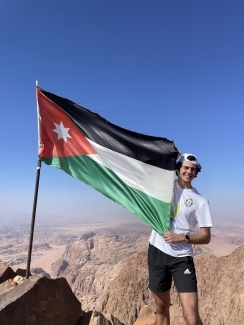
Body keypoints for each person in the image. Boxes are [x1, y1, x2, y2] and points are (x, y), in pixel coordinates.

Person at [148, 153, 213, 325]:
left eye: (193, 169)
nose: (189, 171)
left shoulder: (200, 201)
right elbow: (149, 170)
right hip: (157, 252)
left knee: (191, 318)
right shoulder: (163, 188)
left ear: (196, 172)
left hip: (182, 258)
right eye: (185, 167)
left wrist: (182, 238)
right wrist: (166, 154)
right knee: (161, 309)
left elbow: (206, 237)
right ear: (178, 169)